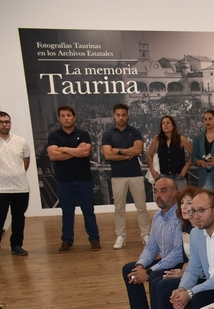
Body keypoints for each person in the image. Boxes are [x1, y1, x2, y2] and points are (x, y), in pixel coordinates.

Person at [119, 178, 184, 309]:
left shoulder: (179, 216)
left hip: (180, 262)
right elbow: (151, 247)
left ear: (175, 192)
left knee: (154, 279)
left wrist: (148, 272)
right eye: (155, 191)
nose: (158, 195)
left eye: (163, 190)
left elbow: (177, 254)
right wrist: (140, 265)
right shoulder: (157, 216)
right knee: (129, 269)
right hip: (165, 259)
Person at [139, 187, 197, 309]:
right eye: (183, 203)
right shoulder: (186, 226)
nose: (185, 207)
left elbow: (188, 258)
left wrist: (183, 272)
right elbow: (152, 247)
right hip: (189, 270)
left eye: (189, 203)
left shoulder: (199, 228)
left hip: (200, 276)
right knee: (157, 280)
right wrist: (142, 265)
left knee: (162, 284)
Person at [48, 106, 100, 252]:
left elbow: (85, 152)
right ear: (59, 119)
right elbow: (53, 155)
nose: (66, 118)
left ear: (74, 117)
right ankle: (67, 240)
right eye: (63, 116)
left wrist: (62, 149)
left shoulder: (83, 134)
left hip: (84, 179)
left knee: (88, 210)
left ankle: (94, 239)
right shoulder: (54, 136)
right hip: (64, 180)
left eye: (69, 115)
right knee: (67, 211)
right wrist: (76, 151)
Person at [102, 103, 149, 250]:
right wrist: (127, 154)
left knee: (141, 207)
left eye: (123, 114)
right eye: (118, 115)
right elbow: (108, 154)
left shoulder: (135, 132)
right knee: (119, 208)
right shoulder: (108, 134)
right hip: (117, 176)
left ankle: (145, 234)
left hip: (135, 174)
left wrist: (119, 150)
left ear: (128, 115)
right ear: (114, 116)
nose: (121, 117)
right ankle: (120, 236)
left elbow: (139, 150)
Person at [0, 111, 31, 256]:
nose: (5, 124)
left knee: (18, 218)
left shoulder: (21, 141)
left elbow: (26, 162)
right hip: (1, 189)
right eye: (1, 122)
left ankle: (16, 245)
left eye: (7, 121)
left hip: (20, 187)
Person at [145, 115, 192, 190]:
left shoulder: (181, 139)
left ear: (173, 126)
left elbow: (193, 154)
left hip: (179, 177)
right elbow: (149, 155)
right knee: (165, 200)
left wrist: (186, 167)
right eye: (163, 123)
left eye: (168, 123)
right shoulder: (157, 139)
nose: (165, 125)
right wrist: (152, 170)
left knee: (181, 199)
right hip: (163, 177)